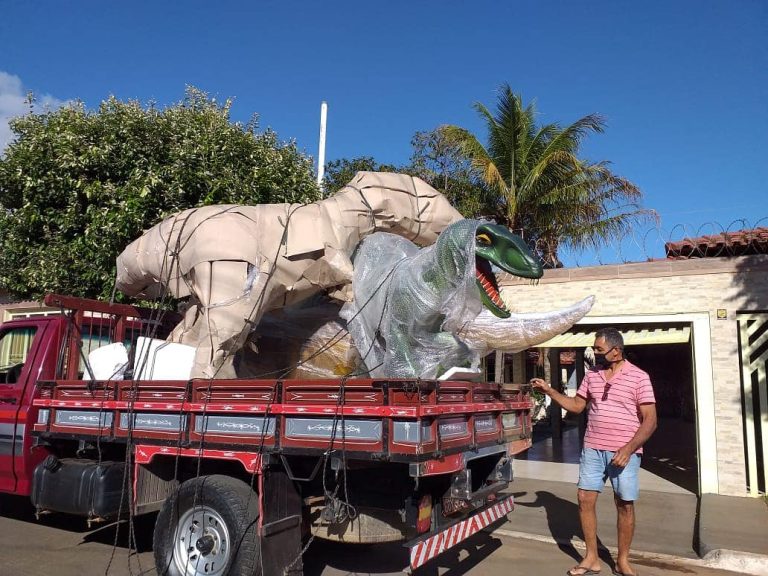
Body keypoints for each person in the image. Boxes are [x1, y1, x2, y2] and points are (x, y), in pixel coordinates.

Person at [530, 327, 657, 576]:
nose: (595, 353)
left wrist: (629, 449)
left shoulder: (639, 377)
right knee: (584, 499)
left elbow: (650, 420)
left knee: (625, 505)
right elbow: (577, 406)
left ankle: (622, 561)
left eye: (599, 349)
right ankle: (591, 558)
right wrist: (550, 391)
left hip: (624, 452)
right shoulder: (592, 376)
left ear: (616, 351)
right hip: (592, 448)